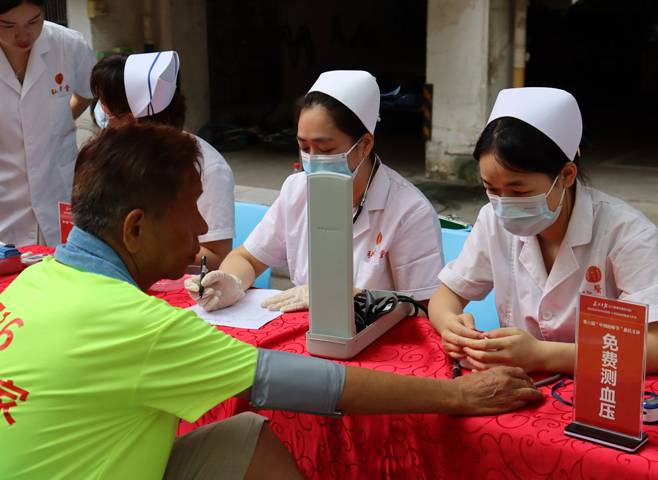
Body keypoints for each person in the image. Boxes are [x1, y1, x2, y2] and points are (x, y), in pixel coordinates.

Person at [0, 123, 543, 480]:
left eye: (324, 146)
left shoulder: (34, 280)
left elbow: (427, 300)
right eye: (192, 209)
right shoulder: (136, 325)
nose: (203, 227)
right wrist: (456, 397)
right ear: (136, 228)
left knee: (243, 436)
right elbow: (310, 384)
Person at [428, 87, 658, 375]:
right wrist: (450, 325)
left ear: (566, 175)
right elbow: (446, 296)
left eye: (519, 191)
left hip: (598, 393)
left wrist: (542, 355)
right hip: (519, 384)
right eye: (491, 189)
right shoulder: (492, 221)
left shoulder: (628, 234)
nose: (504, 204)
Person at [186, 70, 444, 314]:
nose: (313, 159)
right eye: (304, 148)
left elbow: (422, 309)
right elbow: (248, 258)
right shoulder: (297, 190)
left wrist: (350, 297)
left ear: (365, 144)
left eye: (326, 150)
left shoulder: (409, 211)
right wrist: (232, 282)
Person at [90, 51, 235, 270]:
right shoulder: (118, 159)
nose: (104, 122)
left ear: (131, 120)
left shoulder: (206, 167)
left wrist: (137, 254)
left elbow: (216, 258)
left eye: (108, 114)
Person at [0, 0, 95, 247]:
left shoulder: (68, 44)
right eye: (8, 25)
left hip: (58, 193)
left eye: (34, 21)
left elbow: (87, 91)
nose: (24, 34)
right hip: (5, 203)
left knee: (63, 272)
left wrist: (55, 127)